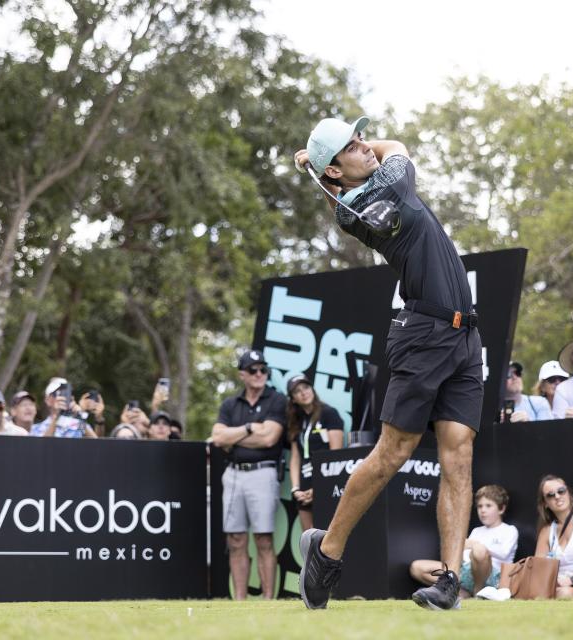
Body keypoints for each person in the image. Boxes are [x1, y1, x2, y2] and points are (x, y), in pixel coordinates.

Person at [294, 115, 483, 611]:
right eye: (352, 148)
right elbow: (397, 143)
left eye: (360, 138)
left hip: (464, 334)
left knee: (459, 456)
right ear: (334, 174)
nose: (365, 147)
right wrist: (318, 163)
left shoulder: (359, 185)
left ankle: (448, 581)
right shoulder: (379, 194)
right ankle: (327, 553)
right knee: (392, 453)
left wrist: (321, 161)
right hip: (423, 334)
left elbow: (372, 152)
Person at [210, 349, 287, 600]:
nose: (259, 374)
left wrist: (236, 437)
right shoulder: (230, 404)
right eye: (253, 370)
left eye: (263, 369)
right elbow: (219, 439)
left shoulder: (276, 399)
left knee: (264, 538)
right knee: (235, 540)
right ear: (242, 374)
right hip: (233, 474)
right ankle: (240, 602)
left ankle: (267, 601)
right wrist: (249, 428)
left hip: (263, 473)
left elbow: (269, 438)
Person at [410, 485, 518, 598]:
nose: (483, 510)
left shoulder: (509, 530)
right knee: (416, 567)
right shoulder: (477, 531)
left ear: (501, 509)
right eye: (480, 506)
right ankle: (460, 591)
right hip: (467, 573)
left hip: (493, 577)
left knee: (479, 550)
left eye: (488, 506)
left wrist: (474, 545)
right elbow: (465, 557)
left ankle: (478, 591)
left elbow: (503, 553)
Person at [286, 374, 344, 532]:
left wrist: (319, 488)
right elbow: (295, 458)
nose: (303, 392)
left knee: (324, 537)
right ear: (293, 399)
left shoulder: (329, 413)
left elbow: (336, 457)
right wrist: (295, 488)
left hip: (325, 483)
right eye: (297, 391)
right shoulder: (296, 420)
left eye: (306, 387)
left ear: (312, 389)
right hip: (304, 486)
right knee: (308, 538)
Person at [30, 378, 97, 438]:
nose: (62, 397)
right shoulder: (36, 428)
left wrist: (80, 416)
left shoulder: (78, 423)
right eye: (57, 393)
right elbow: (43, 447)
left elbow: (97, 445)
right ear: (48, 400)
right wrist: (56, 418)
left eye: (66, 394)